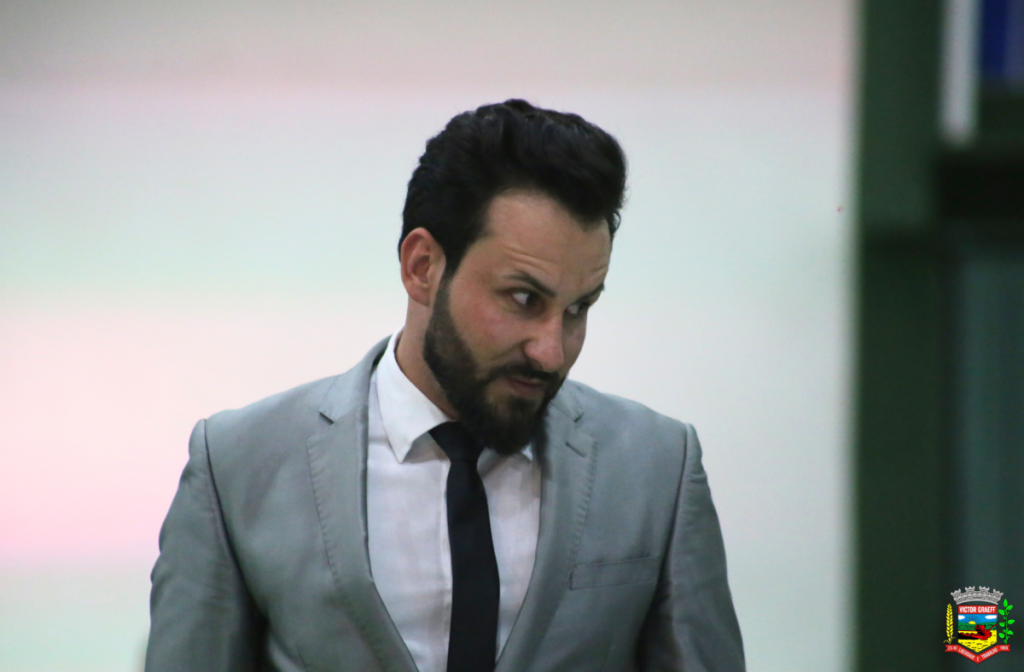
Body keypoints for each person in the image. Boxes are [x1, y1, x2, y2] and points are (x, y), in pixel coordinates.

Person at [145, 99, 745, 672]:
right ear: (422, 267)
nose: (552, 351)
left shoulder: (657, 468)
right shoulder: (238, 465)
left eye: (578, 308)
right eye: (523, 298)